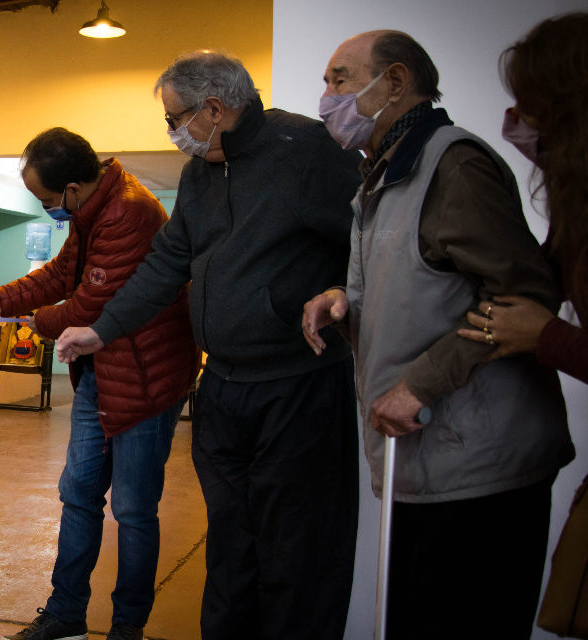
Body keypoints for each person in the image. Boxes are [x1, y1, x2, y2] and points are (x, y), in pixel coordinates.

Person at [56, 51, 362, 640]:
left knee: (293, 546)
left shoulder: (305, 149)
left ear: (214, 109)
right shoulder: (200, 176)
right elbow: (168, 261)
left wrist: (341, 288)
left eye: (175, 118)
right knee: (229, 540)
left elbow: (366, 239)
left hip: (296, 385)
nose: (171, 132)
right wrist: (103, 328)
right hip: (223, 388)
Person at [303, 30, 572, 638]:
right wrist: (341, 300)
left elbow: (520, 297)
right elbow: (408, 282)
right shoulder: (378, 175)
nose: (326, 97)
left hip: (480, 467)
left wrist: (420, 384)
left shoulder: (454, 164)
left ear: (395, 82)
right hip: (425, 462)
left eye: (339, 78)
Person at [0, 128, 198, 640]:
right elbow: (61, 273)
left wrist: (36, 320)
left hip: (145, 379)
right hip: (102, 371)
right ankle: (65, 612)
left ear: (74, 188)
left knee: (134, 509)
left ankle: (127, 626)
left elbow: (91, 305)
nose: (48, 208)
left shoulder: (128, 211)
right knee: (78, 493)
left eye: (49, 200)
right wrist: (2, 300)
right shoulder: (91, 210)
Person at [454, 12, 588, 383]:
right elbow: (553, 269)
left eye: (529, 103)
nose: (516, 117)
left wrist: (548, 336)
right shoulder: (575, 198)